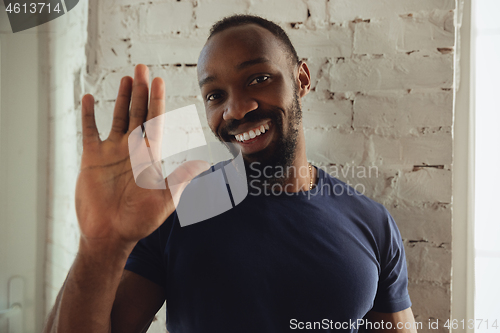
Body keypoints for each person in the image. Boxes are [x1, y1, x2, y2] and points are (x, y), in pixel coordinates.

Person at [44, 15, 418, 333]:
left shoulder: (372, 222)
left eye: (258, 79)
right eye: (215, 95)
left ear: (302, 79)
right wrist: (101, 245)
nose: (236, 109)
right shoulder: (174, 209)